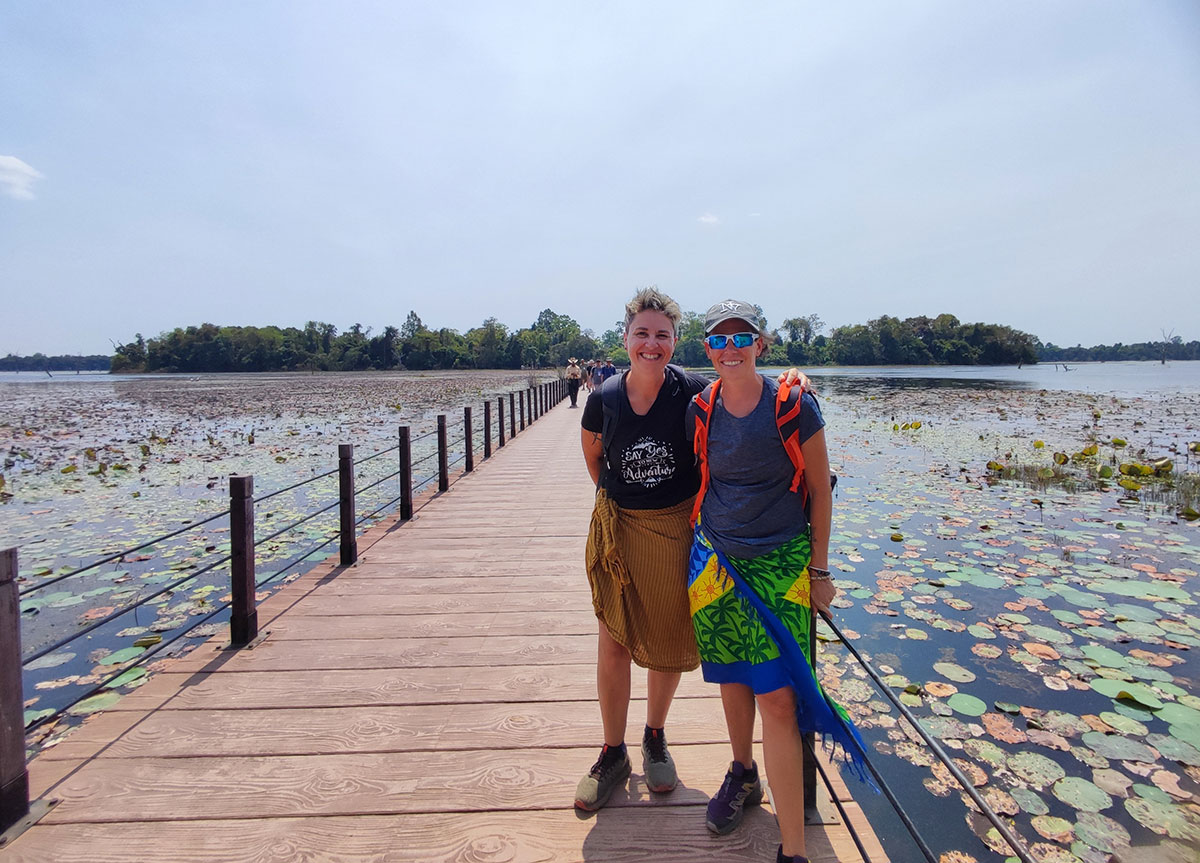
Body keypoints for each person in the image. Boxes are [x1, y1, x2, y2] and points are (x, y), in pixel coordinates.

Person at [574, 287, 807, 813]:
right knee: (612, 637)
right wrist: (624, 503)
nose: (651, 344)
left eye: (662, 335)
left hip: (679, 527)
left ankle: (654, 735)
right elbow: (594, 459)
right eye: (642, 334)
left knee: (669, 632)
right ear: (626, 338)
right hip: (618, 525)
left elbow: (748, 386)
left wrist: (795, 380)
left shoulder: (694, 392)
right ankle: (613, 752)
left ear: (676, 342)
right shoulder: (604, 398)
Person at [686, 299, 868, 863]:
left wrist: (819, 570)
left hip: (780, 565)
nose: (730, 349)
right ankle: (742, 773)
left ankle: (794, 850)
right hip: (714, 566)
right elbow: (646, 368)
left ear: (761, 346)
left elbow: (819, 490)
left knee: (781, 702)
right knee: (734, 678)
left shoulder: (795, 405)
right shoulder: (699, 407)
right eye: (719, 340)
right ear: (707, 350)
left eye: (742, 339)